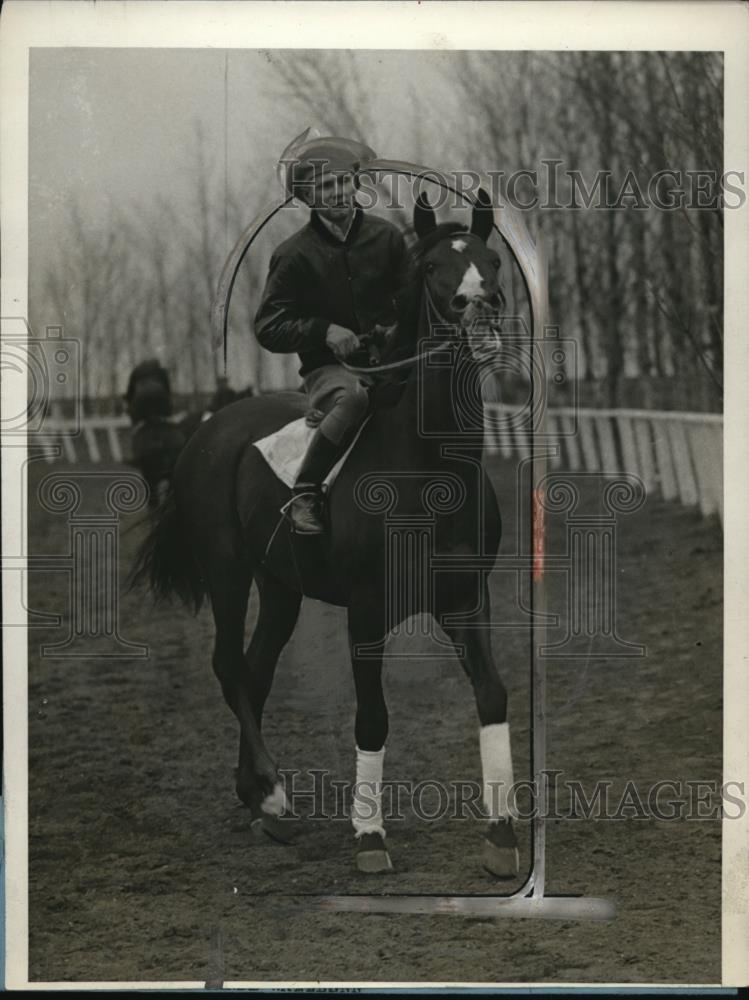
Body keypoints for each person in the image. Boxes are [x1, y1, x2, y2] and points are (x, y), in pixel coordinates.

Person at [254, 134, 408, 534]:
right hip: (331, 372)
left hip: (393, 362)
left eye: (343, 182)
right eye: (325, 186)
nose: (338, 193)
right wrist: (322, 331)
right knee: (354, 399)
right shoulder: (292, 254)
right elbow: (268, 327)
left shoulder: (387, 237)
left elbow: (410, 303)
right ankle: (305, 492)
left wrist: (394, 328)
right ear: (307, 196)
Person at [124, 358, 172, 424]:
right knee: (166, 418)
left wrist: (129, 408)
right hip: (160, 398)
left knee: (135, 419)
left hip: (141, 399)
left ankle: (136, 429)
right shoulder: (162, 371)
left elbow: (130, 393)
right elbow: (167, 391)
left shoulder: (136, 371)